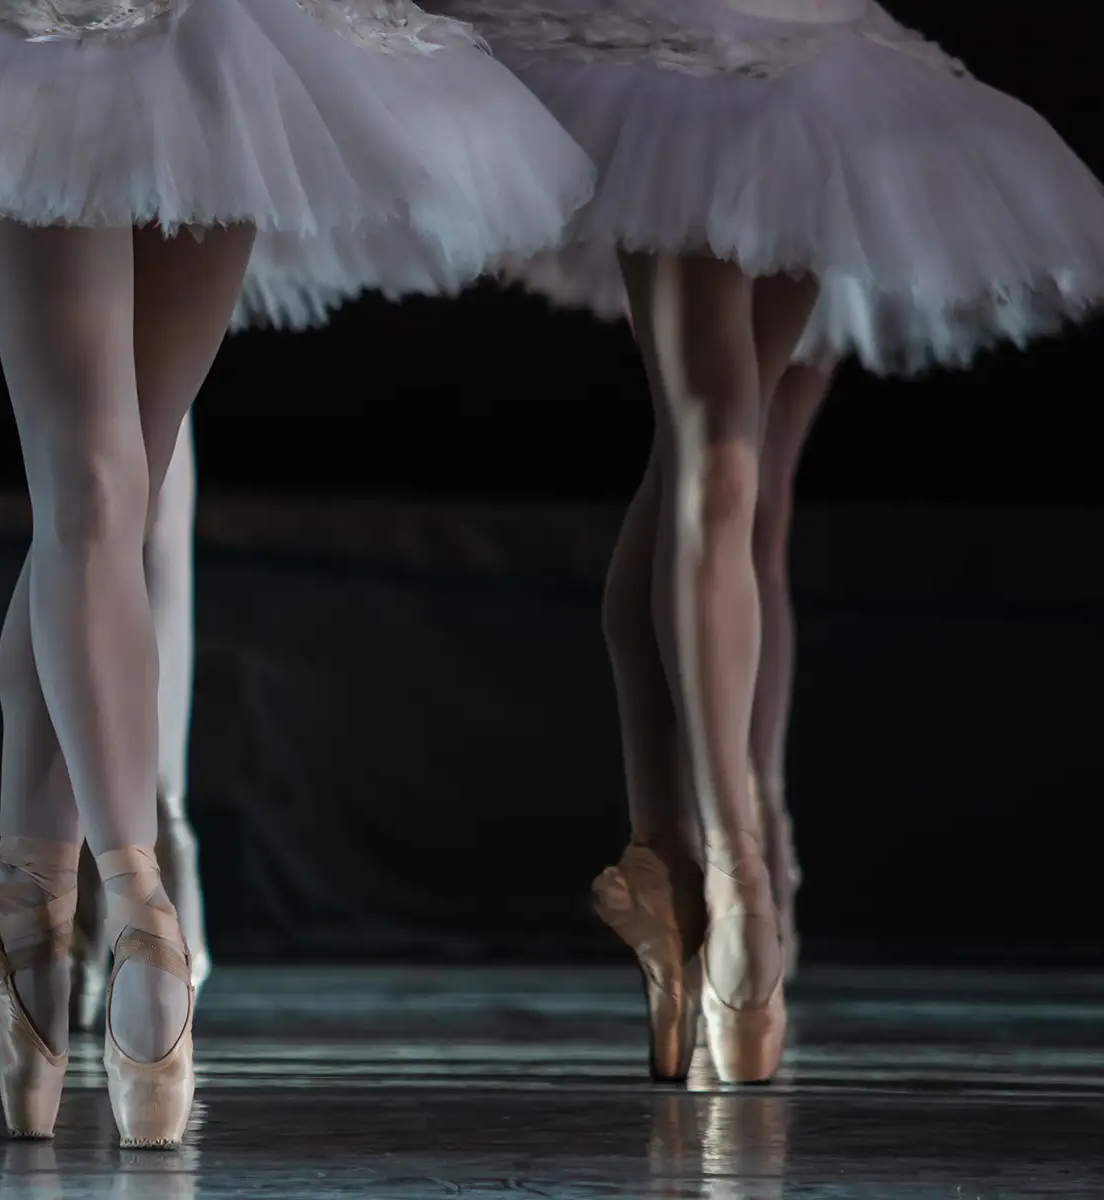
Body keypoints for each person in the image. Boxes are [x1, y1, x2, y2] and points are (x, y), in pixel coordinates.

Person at [0, 0, 595, 1145]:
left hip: (182, 41)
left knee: (108, 489)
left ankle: (57, 906)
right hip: (88, 41)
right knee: (98, 484)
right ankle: (124, 920)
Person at [450, 0, 1104, 1083]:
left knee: (727, 469)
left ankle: (686, 858)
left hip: (805, 63)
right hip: (674, 56)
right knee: (717, 455)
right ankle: (734, 872)